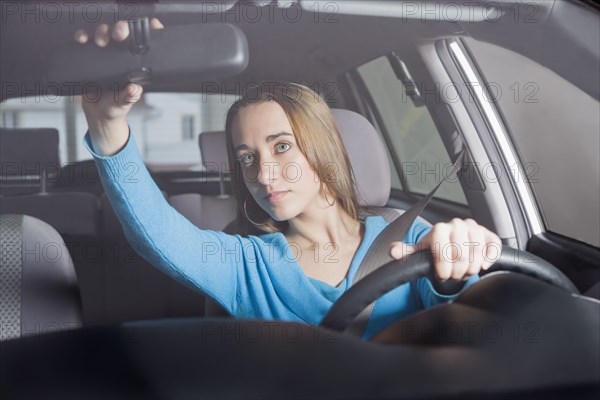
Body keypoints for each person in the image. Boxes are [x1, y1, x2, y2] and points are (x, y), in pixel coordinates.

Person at [78, 21, 502, 340]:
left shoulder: (412, 236)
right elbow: (159, 234)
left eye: (281, 147)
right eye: (247, 158)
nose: (262, 174)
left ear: (322, 148)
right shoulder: (248, 264)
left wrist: (456, 264)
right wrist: (107, 126)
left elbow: (473, 327)